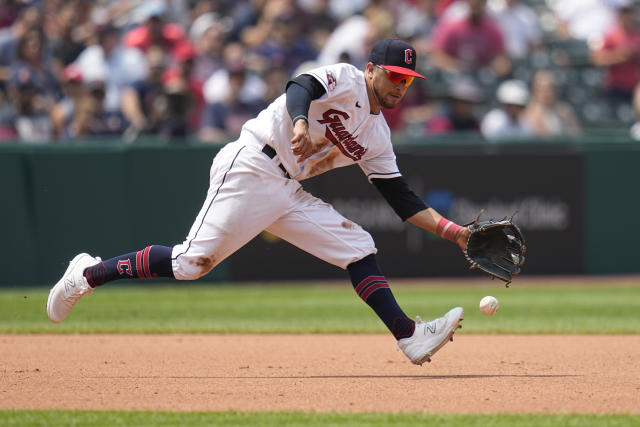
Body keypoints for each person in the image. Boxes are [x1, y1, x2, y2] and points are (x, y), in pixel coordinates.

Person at [47, 39, 466, 366]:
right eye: (394, 76)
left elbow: (402, 200)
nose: (400, 86)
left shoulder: (377, 136)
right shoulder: (348, 78)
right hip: (253, 163)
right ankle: (88, 273)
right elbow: (302, 85)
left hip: (286, 189)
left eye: (407, 80)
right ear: (371, 69)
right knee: (189, 263)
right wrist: (301, 121)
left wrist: (457, 233)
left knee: (358, 248)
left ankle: (408, 335)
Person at [522, 70, 582, 138]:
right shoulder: (527, 112)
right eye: (541, 88)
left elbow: (577, 134)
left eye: (550, 88)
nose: (546, 92)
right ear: (533, 89)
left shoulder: (565, 111)